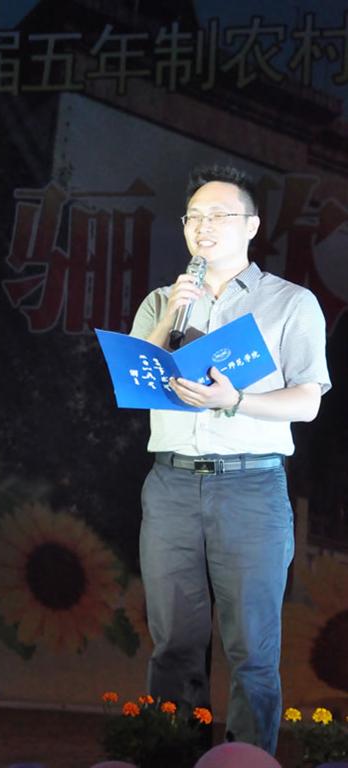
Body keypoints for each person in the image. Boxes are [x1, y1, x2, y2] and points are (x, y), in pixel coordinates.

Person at [130, 164, 330, 754]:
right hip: (171, 484)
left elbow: (308, 401)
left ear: (252, 226)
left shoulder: (289, 303)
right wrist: (170, 314)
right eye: (194, 216)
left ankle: (246, 761)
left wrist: (235, 399)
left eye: (220, 215)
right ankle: (172, 756)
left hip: (250, 486)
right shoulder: (161, 300)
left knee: (252, 650)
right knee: (173, 645)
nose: (204, 226)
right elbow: (134, 378)